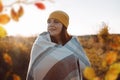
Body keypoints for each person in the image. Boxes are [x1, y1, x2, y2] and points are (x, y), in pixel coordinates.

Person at [26, 10, 90, 80]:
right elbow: (36, 69)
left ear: (64, 26)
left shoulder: (73, 44)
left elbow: (85, 66)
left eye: (56, 22)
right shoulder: (40, 43)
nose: (51, 24)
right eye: (49, 22)